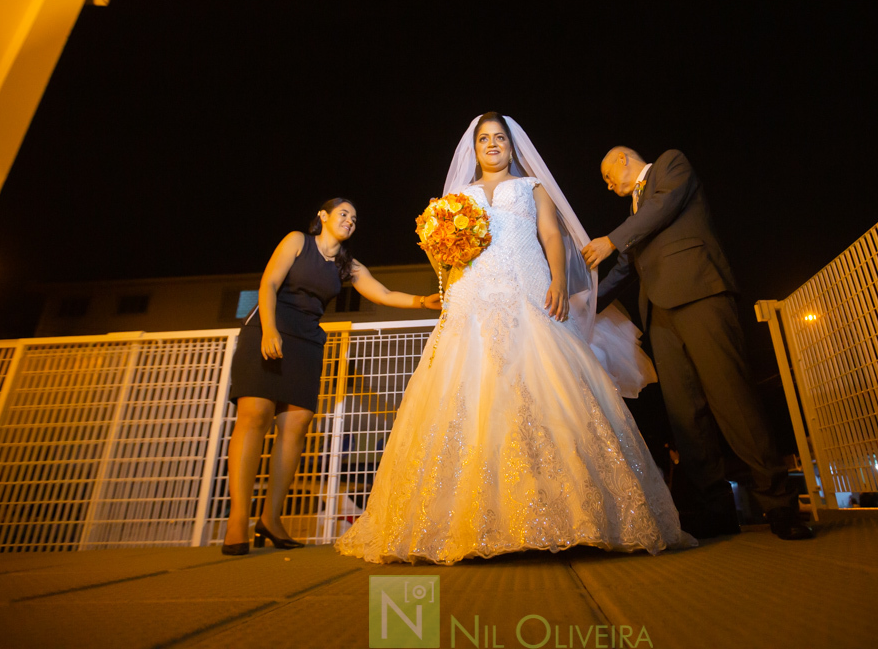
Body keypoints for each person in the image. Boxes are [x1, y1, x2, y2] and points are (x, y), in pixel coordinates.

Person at [334, 114, 693, 564]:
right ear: (474, 147)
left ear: (511, 146)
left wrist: (559, 280)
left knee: (550, 392)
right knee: (471, 397)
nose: (492, 145)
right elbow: (441, 252)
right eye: (484, 139)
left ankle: (570, 517)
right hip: (474, 300)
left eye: (499, 138)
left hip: (528, 291)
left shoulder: (531, 188)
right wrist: (446, 267)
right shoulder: (455, 198)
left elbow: (550, 235)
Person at [581, 147, 813, 540]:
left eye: (607, 175)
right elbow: (624, 269)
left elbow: (663, 207)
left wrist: (611, 239)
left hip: (700, 296)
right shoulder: (636, 214)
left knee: (733, 399)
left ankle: (779, 505)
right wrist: (581, 306)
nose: (608, 185)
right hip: (660, 315)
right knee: (685, 416)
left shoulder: (671, 165)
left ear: (624, 159)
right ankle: (716, 510)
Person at [221, 198, 441, 555]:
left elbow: (382, 293)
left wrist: (421, 301)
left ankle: (271, 518)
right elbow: (268, 284)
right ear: (322, 216)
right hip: (268, 329)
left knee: (296, 425)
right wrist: (268, 330)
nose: (350, 220)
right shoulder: (297, 242)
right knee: (255, 416)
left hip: (307, 341)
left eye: (355, 218)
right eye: (343, 213)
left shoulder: (347, 265)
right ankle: (237, 520)